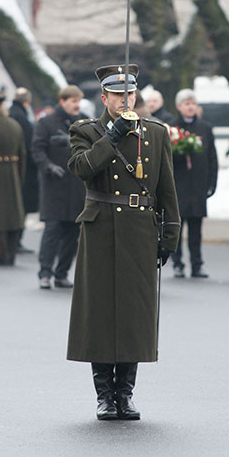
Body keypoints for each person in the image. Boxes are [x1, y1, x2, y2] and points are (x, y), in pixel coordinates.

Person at [67, 64, 180, 421]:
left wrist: (170, 235)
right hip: (100, 229)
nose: (124, 100)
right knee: (100, 312)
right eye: (117, 95)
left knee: (133, 314)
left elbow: (167, 190)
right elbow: (83, 168)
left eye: (129, 94)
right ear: (104, 98)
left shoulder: (156, 133)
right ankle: (104, 395)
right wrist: (112, 136)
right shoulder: (86, 131)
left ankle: (125, 394)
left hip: (139, 230)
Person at [32, 85, 85, 289]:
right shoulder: (46, 123)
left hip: (76, 186)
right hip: (54, 186)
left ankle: (61, 273)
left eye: (78, 101)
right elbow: (37, 150)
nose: (77, 105)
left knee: (73, 233)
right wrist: (49, 166)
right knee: (52, 231)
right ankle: (45, 272)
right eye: (73, 101)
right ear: (62, 101)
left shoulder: (82, 122)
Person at [171, 88, 218, 278]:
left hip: (198, 185)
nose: (190, 107)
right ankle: (177, 263)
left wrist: (212, 183)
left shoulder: (205, 128)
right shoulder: (172, 128)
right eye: (186, 104)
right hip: (179, 186)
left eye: (193, 104)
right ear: (179, 107)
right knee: (177, 226)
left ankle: (197, 264)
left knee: (196, 228)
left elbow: (211, 157)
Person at [0, 92, 26, 266]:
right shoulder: (15, 125)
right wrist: (20, 177)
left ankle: (1, 252)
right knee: (13, 214)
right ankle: (11, 252)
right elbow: (23, 154)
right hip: (13, 173)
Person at [9, 87, 39, 253]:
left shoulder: (12, 113)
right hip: (24, 169)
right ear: (27, 101)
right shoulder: (22, 116)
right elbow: (28, 145)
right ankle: (16, 241)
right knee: (22, 207)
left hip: (15, 167)